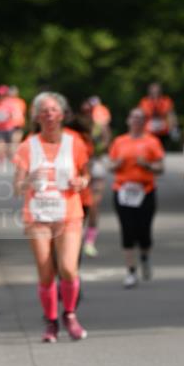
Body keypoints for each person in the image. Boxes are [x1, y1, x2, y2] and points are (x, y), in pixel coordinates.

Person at [13, 92, 90, 342]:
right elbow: (16, 187)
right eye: (44, 110)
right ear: (36, 116)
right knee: (46, 273)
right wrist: (28, 181)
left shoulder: (75, 142)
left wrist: (80, 181)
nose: (49, 114)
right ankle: (51, 323)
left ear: (62, 114)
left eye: (53, 110)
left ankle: (69, 315)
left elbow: (85, 175)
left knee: (68, 268)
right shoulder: (28, 145)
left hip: (68, 214)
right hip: (38, 215)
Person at [109, 108, 165, 287]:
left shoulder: (152, 141)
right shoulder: (119, 141)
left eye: (140, 118)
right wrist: (116, 165)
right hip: (123, 191)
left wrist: (147, 165)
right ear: (128, 120)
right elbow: (110, 165)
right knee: (127, 229)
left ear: (145, 122)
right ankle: (131, 271)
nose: (136, 121)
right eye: (133, 117)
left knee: (144, 230)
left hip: (145, 191)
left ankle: (145, 257)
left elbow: (160, 168)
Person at [80, 96, 112, 256]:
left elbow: (107, 142)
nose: (88, 114)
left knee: (93, 204)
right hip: (81, 166)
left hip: (97, 164)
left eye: (90, 111)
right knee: (80, 204)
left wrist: (95, 151)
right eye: (85, 111)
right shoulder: (77, 128)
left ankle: (89, 241)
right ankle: (76, 236)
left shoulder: (100, 127)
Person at [138, 82, 179, 150]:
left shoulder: (166, 101)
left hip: (163, 131)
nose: (155, 93)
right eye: (153, 91)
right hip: (149, 130)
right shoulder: (144, 101)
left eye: (157, 91)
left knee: (162, 150)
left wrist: (174, 128)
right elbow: (141, 115)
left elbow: (171, 114)